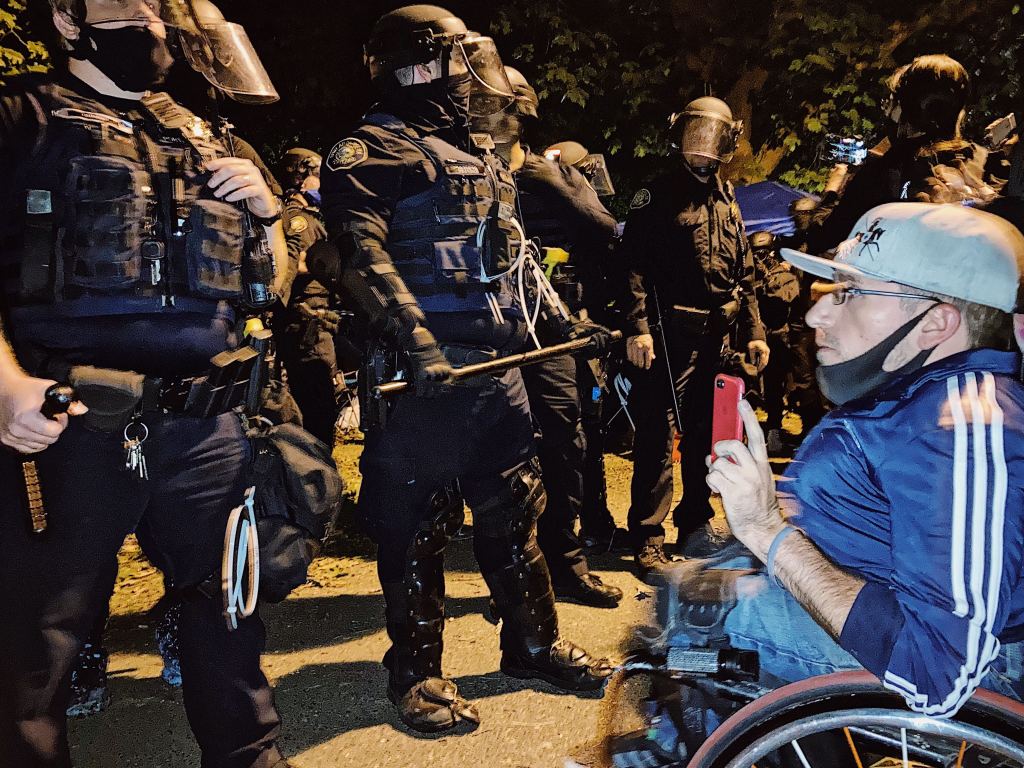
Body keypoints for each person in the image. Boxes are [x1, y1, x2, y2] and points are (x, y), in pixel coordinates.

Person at [0, 1, 297, 766]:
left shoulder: (204, 133)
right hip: (70, 424)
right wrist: (5, 385)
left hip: (207, 426)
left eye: (156, 8)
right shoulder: (22, 117)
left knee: (228, 620)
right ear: (69, 21)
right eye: (123, 6)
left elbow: (276, 285)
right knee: (39, 641)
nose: (149, 20)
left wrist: (266, 218)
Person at [316, 4, 612, 734]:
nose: (466, 77)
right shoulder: (371, 150)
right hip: (425, 378)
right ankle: (417, 674)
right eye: (452, 61)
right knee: (417, 526)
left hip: (499, 369)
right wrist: (416, 341)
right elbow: (360, 255)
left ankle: (532, 643)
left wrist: (562, 326)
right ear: (416, 64)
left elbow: (511, 265)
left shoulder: (477, 155)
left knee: (517, 514)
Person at [707, 202, 1024, 719]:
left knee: (713, 621)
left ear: (937, 322)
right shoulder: (915, 396)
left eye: (851, 293)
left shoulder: (962, 425)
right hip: (870, 604)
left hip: (965, 672)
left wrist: (767, 530)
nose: (815, 314)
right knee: (701, 595)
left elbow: (938, 669)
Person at [473, 66, 624, 607]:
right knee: (498, 452)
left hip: (548, 325)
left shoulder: (547, 175)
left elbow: (606, 234)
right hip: (484, 327)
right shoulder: (464, 171)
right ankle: (514, 574)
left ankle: (566, 564)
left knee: (566, 442)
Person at [619, 96, 769, 579]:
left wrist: (754, 331)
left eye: (710, 141)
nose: (700, 152)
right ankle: (647, 534)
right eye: (692, 138)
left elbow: (744, 274)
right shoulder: (657, 195)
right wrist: (637, 328)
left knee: (707, 433)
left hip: (715, 337)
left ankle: (696, 523)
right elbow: (632, 269)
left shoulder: (729, 197)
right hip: (666, 336)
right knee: (657, 437)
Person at [805, 54, 999, 254]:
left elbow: (822, 239)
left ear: (906, 107)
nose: (887, 111)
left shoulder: (883, 172)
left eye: (890, 102)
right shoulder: (980, 161)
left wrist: (832, 191)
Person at [272, 148, 345, 446]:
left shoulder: (313, 217)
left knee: (324, 401)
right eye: (317, 176)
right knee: (318, 407)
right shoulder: (296, 219)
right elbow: (285, 267)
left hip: (319, 321)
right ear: (302, 177)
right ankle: (314, 475)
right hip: (306, 324)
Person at [748, 231, 801, 454]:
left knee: (769, 387)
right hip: (767, 337)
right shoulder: (773, 274)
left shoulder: (776, 274)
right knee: (763, 387)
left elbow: (786, 299)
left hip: (768, 337)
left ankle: (768, 432)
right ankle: (765, 432)